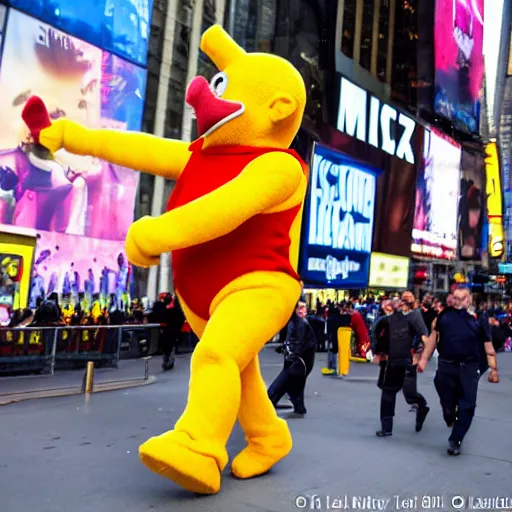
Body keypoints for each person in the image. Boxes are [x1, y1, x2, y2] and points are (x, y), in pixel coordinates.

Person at [418, 286, 500, 456]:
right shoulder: (444, 316)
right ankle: (449, 414)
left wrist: (494, 369)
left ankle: (456, 440)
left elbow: (488, 344)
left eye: (462, 298)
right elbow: (433, 338)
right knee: (447, 400)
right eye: (455, 297)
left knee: (467, 405)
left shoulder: (478, 318)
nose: (458, 301)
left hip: (469, 367)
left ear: (469, 299)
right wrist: (423, 359)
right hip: (446, 365)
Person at [372, 295, 430, 437]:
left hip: (406, 362)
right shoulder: (385, 319)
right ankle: (387, 428)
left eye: (404, 301)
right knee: (388, 394)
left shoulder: (413, 317)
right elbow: (375, 334)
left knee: (410, 395)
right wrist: (377, 352)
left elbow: (424, 337)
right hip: (390, 363)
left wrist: (419, 357)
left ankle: (422, 407)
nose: (392, 305)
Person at [268, 301, 316, 416]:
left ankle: (269, 404)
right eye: (299, 308)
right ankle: (297, 407)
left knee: (281, 387)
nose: (301, 310)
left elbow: (296, 343)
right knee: (293, 387)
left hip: (296, 363)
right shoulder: (300, 323)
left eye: (303, 308)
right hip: (299, 363)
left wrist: (290, 356)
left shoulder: (299, 324)